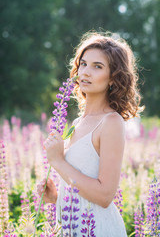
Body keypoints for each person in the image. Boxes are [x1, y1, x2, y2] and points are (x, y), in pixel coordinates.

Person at [37, 31, 143, 236]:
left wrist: (58, 162)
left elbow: (104, 195)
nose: (85, 72)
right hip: (72, 228)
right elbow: (82, 187)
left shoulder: (111, 122)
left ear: (113, 78)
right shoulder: (77, 123)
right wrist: (56, 197)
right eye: (83, 64)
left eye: (97, 66)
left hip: (100, 229)